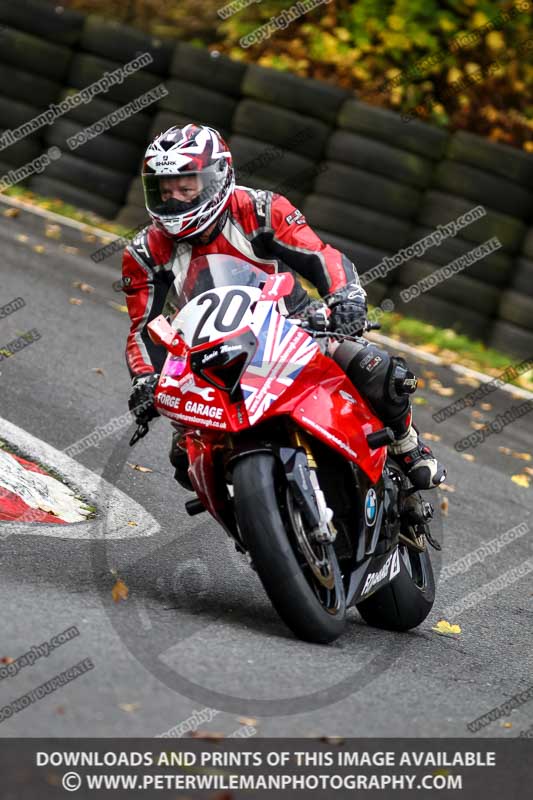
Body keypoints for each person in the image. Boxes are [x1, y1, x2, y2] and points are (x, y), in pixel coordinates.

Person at [122, 124, 446, 492]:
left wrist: (346, 299)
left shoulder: (260, 209)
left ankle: (406, 444)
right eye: (165, 191)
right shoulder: (145, 252)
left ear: (216, 178)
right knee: (187, 458)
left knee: (376, 370)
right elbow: (142, 328)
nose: (175, 200)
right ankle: (254, 522)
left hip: (292, 330)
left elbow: (320, 257)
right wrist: (146, 379)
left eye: (186, 187)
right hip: (208, 358)